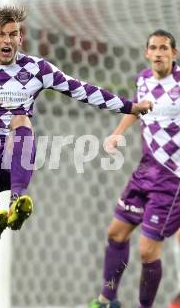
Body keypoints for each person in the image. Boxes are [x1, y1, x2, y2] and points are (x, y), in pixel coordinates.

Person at [0, 5, 153, 302]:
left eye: (14, 34)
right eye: (1, 34)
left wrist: (129, 106)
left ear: (20, 38)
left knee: (22, 119)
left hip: (11, 163)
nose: (8, 40)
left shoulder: (36, 70)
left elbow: (82, 89)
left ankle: (18, 198)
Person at [89, 29, 180, 308]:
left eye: (164, 48)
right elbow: (136, 109)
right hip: (145, 170)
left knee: (147, 250)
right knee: (116, 233)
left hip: (172, 179)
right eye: (154, 47)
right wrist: (117, 133)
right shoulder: (142, 79)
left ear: (174, 54)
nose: (159, 52)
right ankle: (108, 300)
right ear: (146, 52)